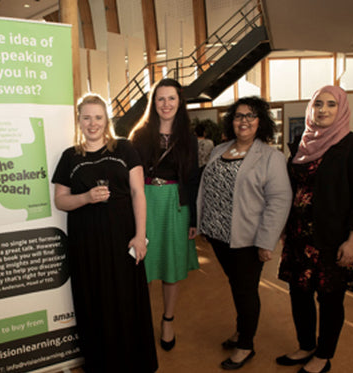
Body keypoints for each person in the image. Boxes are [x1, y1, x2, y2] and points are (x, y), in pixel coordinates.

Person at [52, 94, 157, 373]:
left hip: (123, 238)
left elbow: (138, 193)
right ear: (79, 120)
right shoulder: (70, 157)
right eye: (86, 117)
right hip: (85, 242)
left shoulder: (124, 148)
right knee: (93, 300)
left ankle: (134, 362)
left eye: (98, 117)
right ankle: (101, 364)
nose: (92, 123)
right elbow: (60, 200)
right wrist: (86, 197)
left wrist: (140, 235)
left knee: (126, 298)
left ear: (106, 120)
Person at [276, 86, 353, 373]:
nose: (324, 110)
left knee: (330, 299)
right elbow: (291, 189)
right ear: (310, 108)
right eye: (318, 104)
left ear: (341, 109)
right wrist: (283, 229)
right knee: (299, 294)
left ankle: (323, 354)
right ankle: (305, 346)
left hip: (335, 238)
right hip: (298, 236)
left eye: (332, 104)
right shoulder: (301, 144)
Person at [196, 96, 292, 370]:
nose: (244, 121)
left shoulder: (270, 157)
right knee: (237, 286)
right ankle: (241, 331)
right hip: (218, 235)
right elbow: (208, 188)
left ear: (261, 121)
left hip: (248, 238)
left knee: (246, 290)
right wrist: (204, 222)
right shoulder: (219, 150)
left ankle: (246, 345)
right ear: (231, 121)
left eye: (251, 115)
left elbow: (279, 201)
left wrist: (266, 241)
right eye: (238, 116)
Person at [129, 78, 200, 351]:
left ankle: (167, 319)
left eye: (171, 98)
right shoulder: (140, 135)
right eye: (160, 99)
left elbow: (192, 179)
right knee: (141, 265)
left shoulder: (188, 138)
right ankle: (140, 320)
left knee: (171, 266)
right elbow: (129, 179)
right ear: (153, 103)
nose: (166, 104)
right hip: (144, 201)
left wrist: (192, 219)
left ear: (179, 102)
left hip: (176, 205)